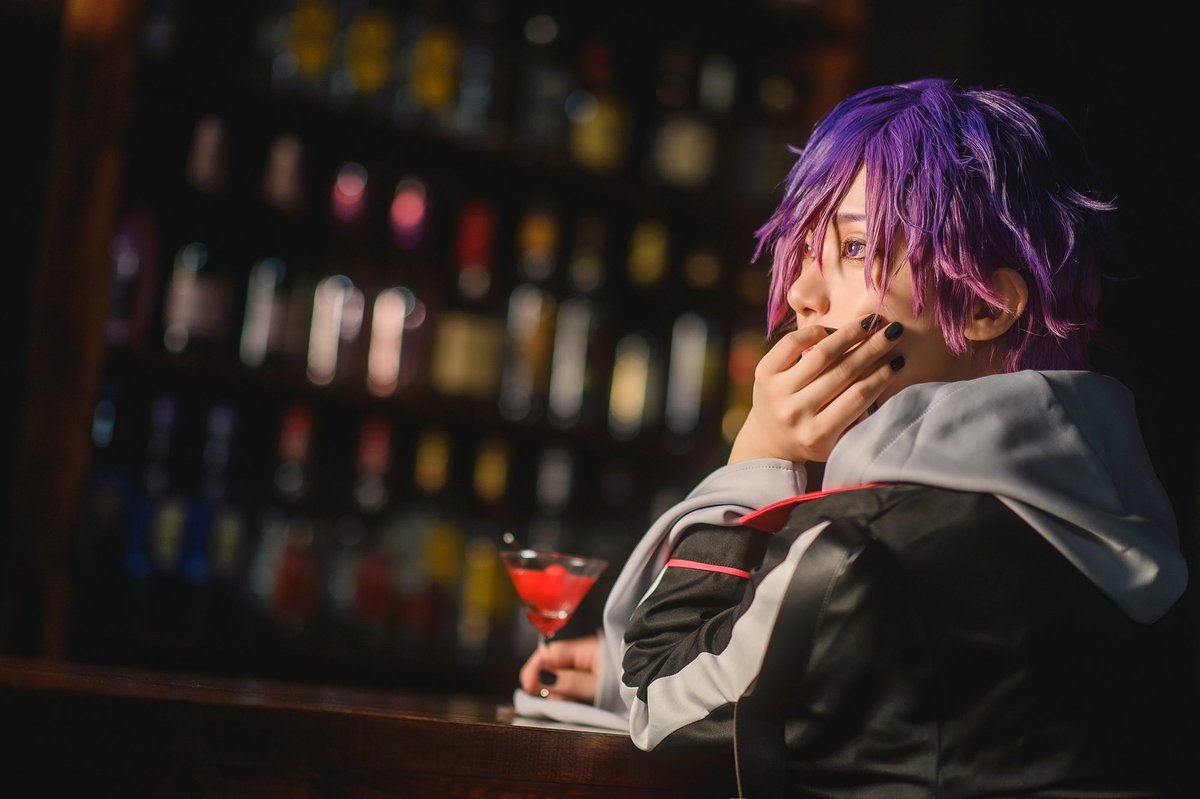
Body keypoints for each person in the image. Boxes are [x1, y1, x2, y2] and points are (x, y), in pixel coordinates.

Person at [514, 78, 1198, 795]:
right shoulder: (1131, 532)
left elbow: (658, 702)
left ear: (987, 304)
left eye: (854, 244)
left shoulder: (859, 552)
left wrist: (758, 454)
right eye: (806, 249)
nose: (802, 294)